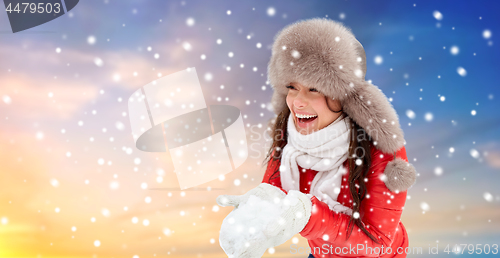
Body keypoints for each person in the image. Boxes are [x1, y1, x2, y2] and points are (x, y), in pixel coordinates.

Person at [217, 17, 417, 258]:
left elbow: (378, 241)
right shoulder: (289, 137)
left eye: (314, 88)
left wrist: (308, 214)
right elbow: (276, 188)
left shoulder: (379, 148)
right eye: (292, 87)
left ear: (343, 96)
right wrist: (261, 204)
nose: (298, 102)